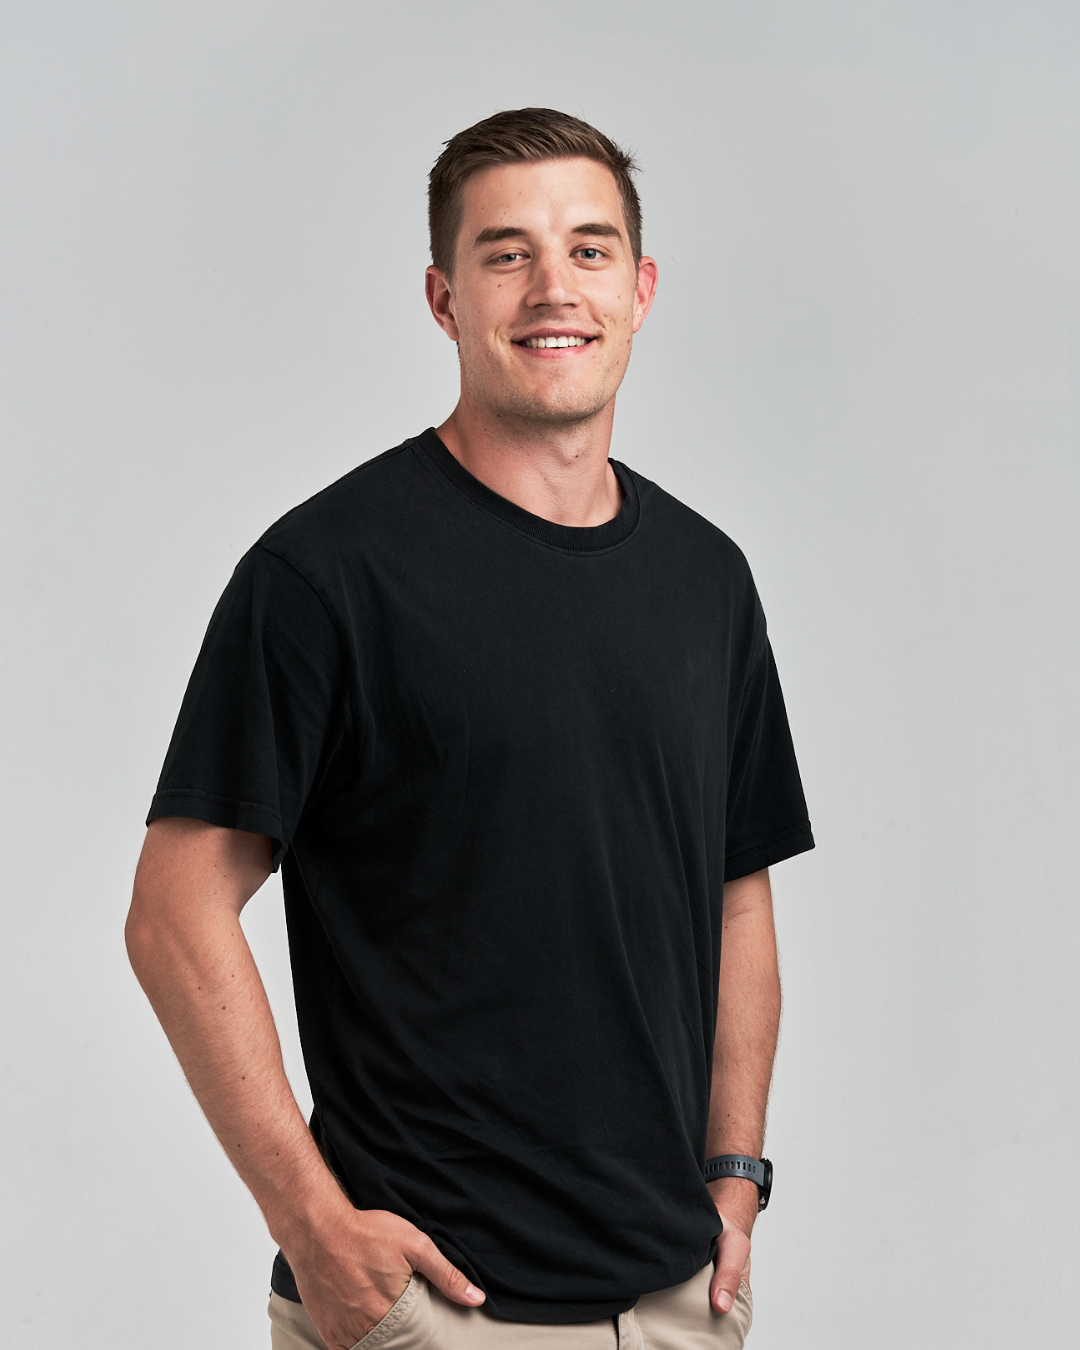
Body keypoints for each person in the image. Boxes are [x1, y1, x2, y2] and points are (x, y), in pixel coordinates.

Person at [126, 108, 814, 1350]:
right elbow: (173, 913)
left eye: (590, 249)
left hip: (675, 1304)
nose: (555, 288)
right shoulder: (326, 576)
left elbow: (736, 896)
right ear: (445, 300)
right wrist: (315, 1229)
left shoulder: (708, 581)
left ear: (642, 290)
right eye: (508, 254)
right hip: (434, 1312)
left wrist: (735, 1174)